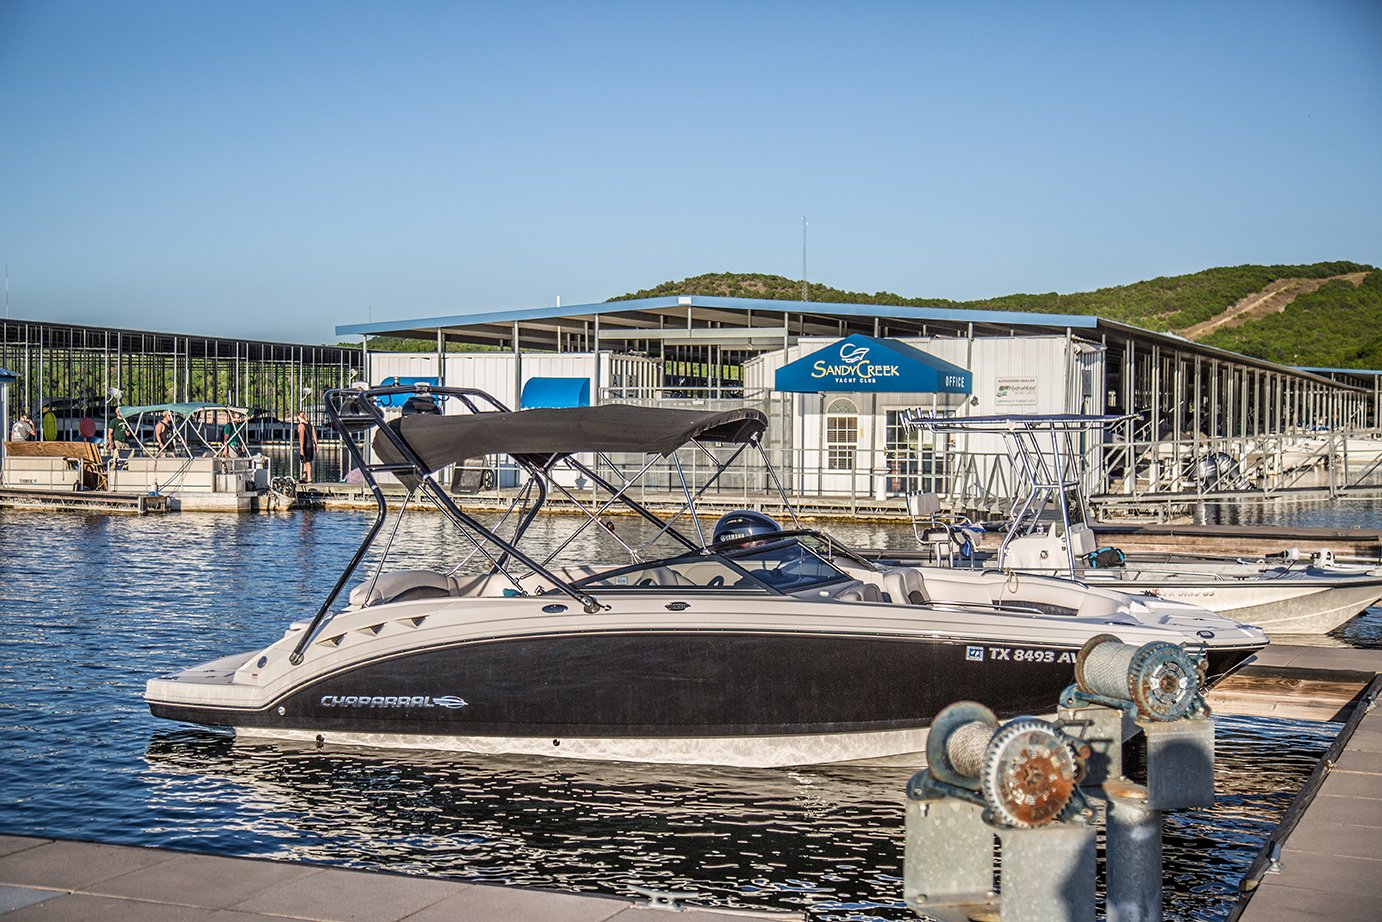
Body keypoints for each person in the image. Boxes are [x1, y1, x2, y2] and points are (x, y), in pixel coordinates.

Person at [296, 410, 317, 482]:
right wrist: (316, 445)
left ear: (298, 417)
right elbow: (314, 435)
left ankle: (309, 478)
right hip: (310, 446)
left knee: (307, 462)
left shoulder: (300, 426)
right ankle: (304, 477)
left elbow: (301, 437)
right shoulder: (310, 425)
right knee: (306, 462)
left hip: (305, 446)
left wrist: (301, 448)